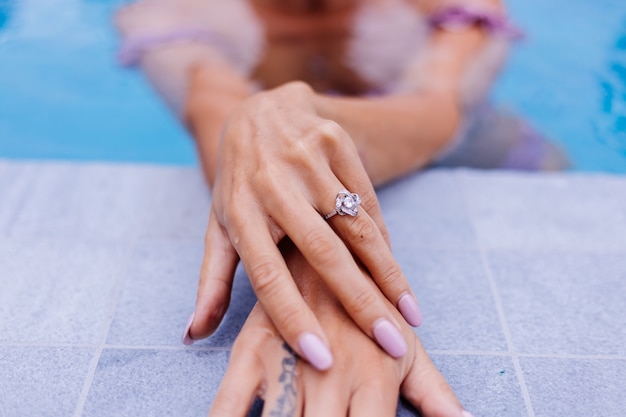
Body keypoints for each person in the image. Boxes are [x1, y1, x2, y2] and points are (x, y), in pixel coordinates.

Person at [115, 0, 564, 415]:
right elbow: (215, 118)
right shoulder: (179, 12)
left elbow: (438, 113)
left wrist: (270, 119)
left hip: (478, 146)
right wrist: (318, 270)